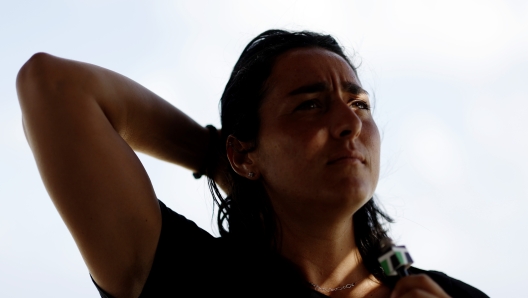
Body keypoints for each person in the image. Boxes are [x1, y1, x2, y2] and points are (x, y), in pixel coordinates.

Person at [16, 29, 488, 298]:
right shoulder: (189, 277)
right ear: (244, 153)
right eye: (310, 105)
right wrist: (214, 158)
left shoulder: (447, 297)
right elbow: (54, 85)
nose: (349, 122)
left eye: (360, 104)